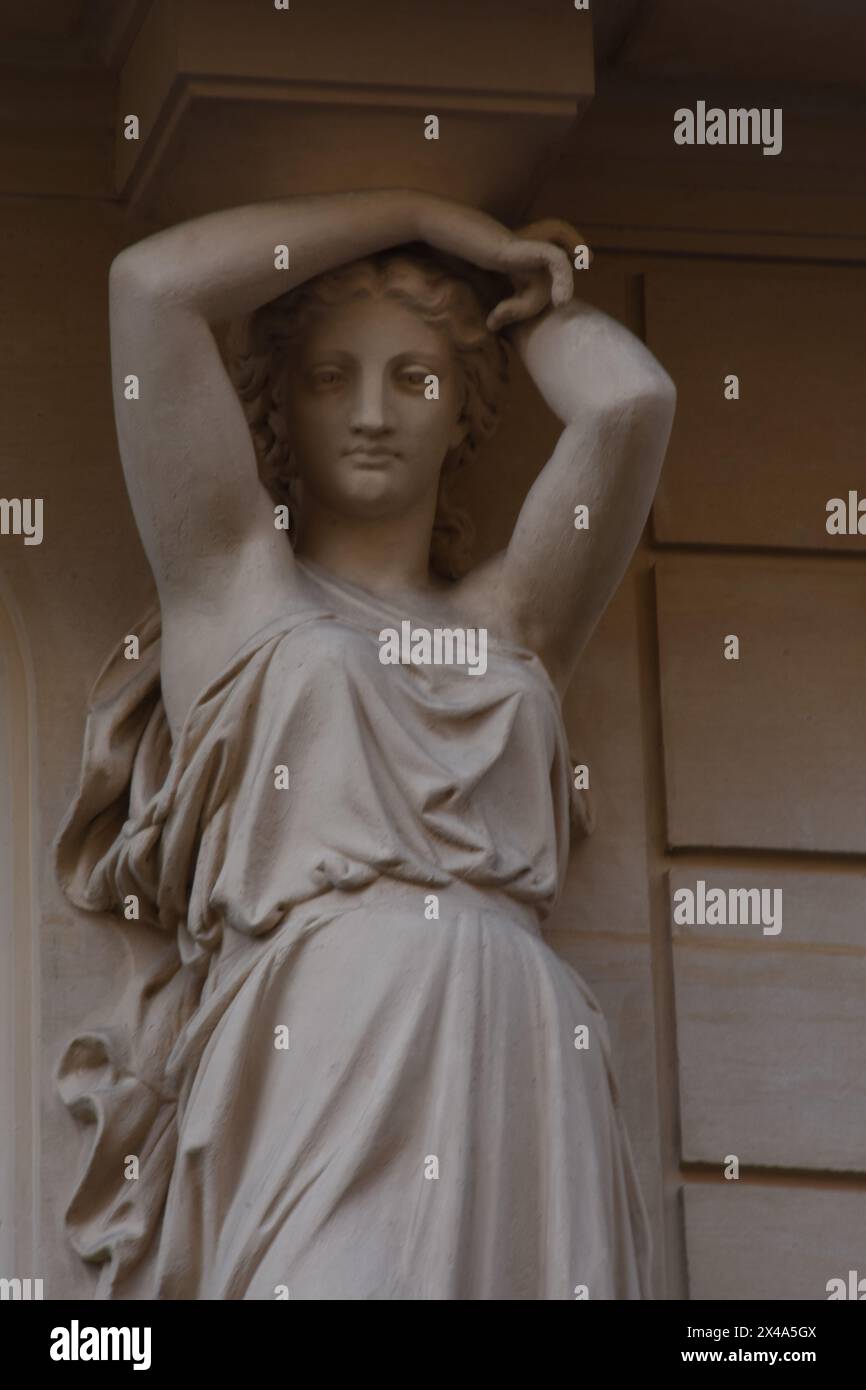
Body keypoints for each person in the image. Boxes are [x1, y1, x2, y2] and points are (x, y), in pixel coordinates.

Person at [54, 189, 676, 1300]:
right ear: (278, 410)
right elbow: (150, 289)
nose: (373, 411)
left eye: (415, 377)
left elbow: (630, 405)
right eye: (331, 376)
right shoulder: (232, 588)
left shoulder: (513, 624)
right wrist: (425, 213)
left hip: (521, 1043)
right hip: (321, 1027)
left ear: (462, 409)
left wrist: (520, 301)